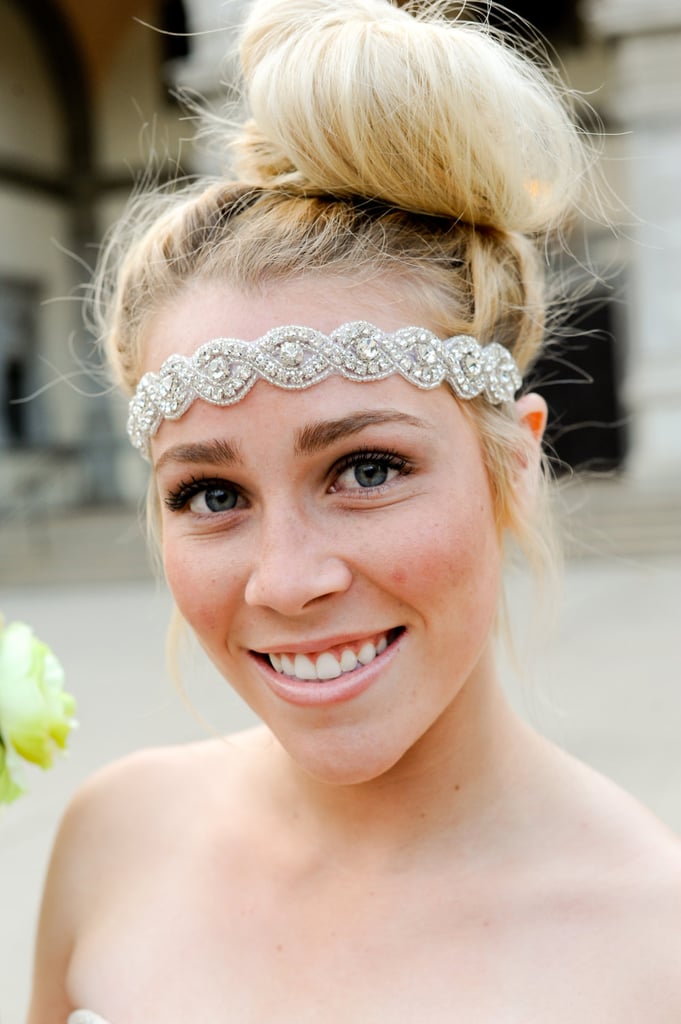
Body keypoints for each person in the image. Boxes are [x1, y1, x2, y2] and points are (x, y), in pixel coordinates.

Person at [29, 1, 681, 1021]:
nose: (288, 579)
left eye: (367, 469)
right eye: (211, 493)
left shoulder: (657, 950)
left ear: (516, 461)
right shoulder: (112, 836)